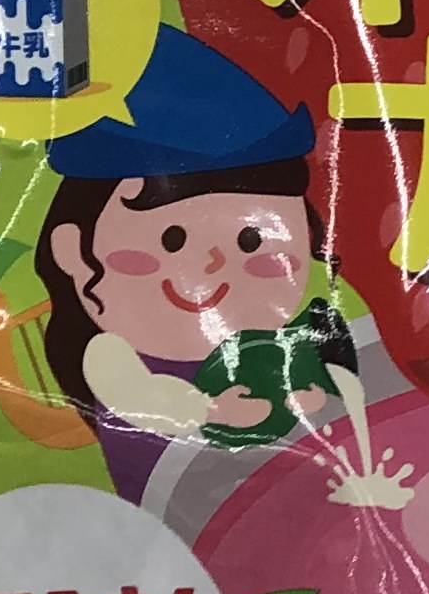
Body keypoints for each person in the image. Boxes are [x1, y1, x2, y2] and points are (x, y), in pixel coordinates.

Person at [33, 27, 358, 494]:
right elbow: (141, 400)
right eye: (172, 239)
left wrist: (304, 396)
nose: (210, 264)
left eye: (252, 238)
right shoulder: (111, 356)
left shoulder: (271, 346)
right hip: (173, 517)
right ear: (73, 254)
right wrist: (207, 410)